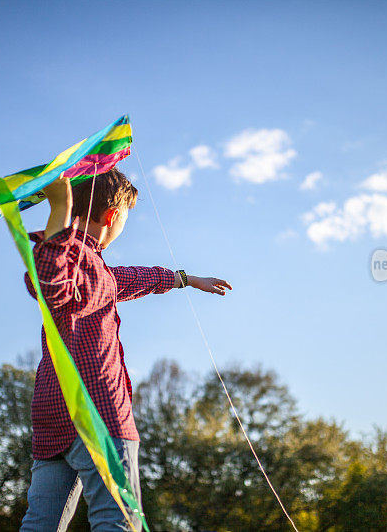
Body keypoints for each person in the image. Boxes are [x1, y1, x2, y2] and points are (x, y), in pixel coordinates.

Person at [20, 168, 231, 531]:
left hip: (53, 417)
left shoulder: (95, 270)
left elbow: (131, 278)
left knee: (41, 523)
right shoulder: (79, 266)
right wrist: (58, 208)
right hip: (100, 415)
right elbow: (50, 280)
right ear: (112, 217)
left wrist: (185, 279)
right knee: (117, 521)